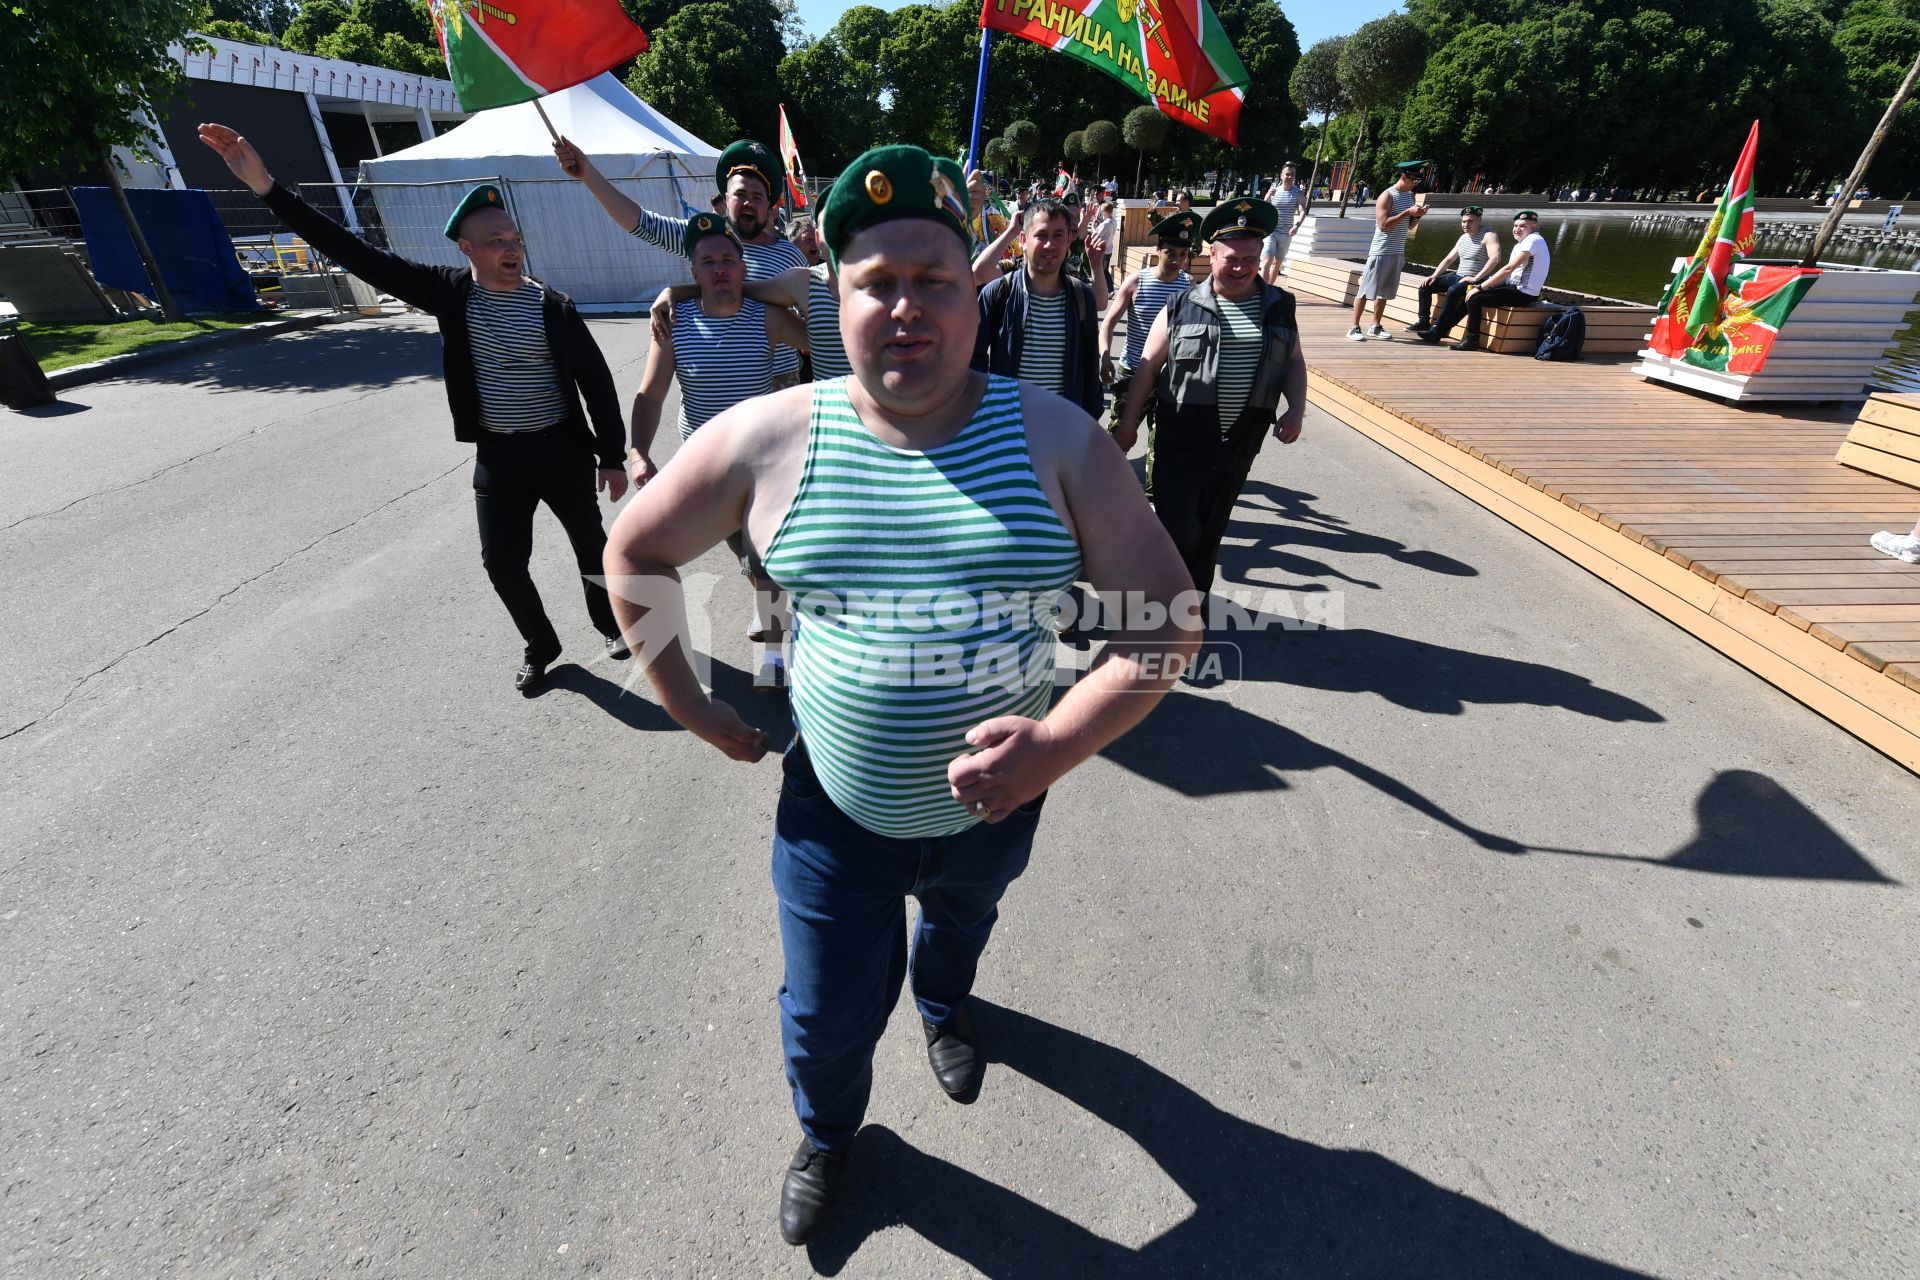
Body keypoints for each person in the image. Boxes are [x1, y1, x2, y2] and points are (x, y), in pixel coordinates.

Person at [599, 143, 1199, 1245]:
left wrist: (1054, 746)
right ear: (836, 295)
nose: (907, 306)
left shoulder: (1056, 438)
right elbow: (633, 550)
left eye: (936, 279)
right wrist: (689, 703)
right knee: (827, 1011)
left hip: (995, 810)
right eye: (879, 281)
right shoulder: (769, 440)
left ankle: (944, 1003)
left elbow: (1167, 620)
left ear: (976, 295)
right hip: (834, 814)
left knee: (961, 927)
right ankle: (831, 1132)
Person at [196, 122, 629, 695]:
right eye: (496, 241)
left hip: (561, 448)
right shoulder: (450, 294)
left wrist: (612, 454)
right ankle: (541, 643)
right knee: (501, 563)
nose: (511, 248)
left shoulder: (553, 306)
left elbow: (595, 381)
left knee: (590, 545)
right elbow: (355, 253)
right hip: (500, 457)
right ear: (466, 249)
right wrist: (267, 189)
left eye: (514, 238)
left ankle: (609, 623)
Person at [630, 212, 807, 687]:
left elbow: (819, 342)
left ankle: (774, 654)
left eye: (729, 259)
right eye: (708, 262)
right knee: (748, 563)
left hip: (762, 468)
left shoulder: (767, 318)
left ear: (744, 265)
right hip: (704, 470)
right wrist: (639, 452)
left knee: (765, 563)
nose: (720, 268)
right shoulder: (674, 323)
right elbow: (650, 394)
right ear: (693, 271)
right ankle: (767, 605)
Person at [1114, 198, 1307, 615]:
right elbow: (1147, 370)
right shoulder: (1181, 306)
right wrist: (1128, 425)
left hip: (1240, 440)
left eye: (1250, 259)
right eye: (1231, 258)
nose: (1241, 267)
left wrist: (1296, 409)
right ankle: (1155, 600)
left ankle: (1189, 608)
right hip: (1181, 438)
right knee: (1178, 529)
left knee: (1210, 530)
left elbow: (1292, 360)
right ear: (1212, 256)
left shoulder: (1279, 306)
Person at [553, 135, 811, 389]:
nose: (748, 203)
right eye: (740, 194)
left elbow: (811, 316)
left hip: (779, 380)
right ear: (724, 199)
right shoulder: (701, 239)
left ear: (768, 206)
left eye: (757, 197)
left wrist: (676, 292)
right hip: (716, 377)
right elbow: (642, 223)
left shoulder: (790, 256)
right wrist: (588, 174)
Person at [1098, 210, 1198, 499]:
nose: (1177, 260)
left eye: (1183, 253)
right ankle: (1100, 492)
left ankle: (1155, 502)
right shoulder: (1137, 282)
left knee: (1163, 443)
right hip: (1132, 373)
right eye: (1170, 252)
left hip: (1169, 379)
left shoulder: (1189, 287)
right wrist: (1106, 356)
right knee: (1119, 437)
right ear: (1158, 251)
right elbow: (1108, 323)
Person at [974, 197, 1106, 419]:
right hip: (1008, 428)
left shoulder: (1081, 297)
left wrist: (1089, 421)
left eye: (1058, 236)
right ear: (1024, 239)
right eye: (1041, 235)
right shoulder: (998, 294)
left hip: (1063, 430)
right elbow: (974, 360)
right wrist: (983, 412)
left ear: (1068, 240)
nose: (1049, 244)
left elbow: (1090, 363)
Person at [1420, 210, 1552, 350]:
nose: (1517, 229)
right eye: (1515, 226)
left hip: (1524, 293)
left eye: (1522, 226)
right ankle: (1438, 332)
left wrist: (1481, 286)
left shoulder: (1534, 240)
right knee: (1472, 295)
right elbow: (1509, 276)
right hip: (1513, 288)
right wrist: (1484, 286)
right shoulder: (1521, 244)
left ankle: (1471, 340)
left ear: (1533, 227)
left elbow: (1508, 268)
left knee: (1475, 298)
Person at [1348, 160, 1429, 341]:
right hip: (1381, 250)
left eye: (1418, 180)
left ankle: (1375, 325)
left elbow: (1409, 227)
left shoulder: (1410, 196)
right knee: (1365, 289)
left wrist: (1418, 216)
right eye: (1413, 180)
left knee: (1384, 291)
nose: (1416, 183)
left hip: (1397, 250)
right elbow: (1383, 225)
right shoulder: (1387, 195)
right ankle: (1354, 327)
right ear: (1403, 176)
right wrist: (1408, 213)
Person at [1406, 205, 1500, 335]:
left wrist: (1475, 278)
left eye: (1470, 221)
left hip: (1476, 280)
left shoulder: (1489, 235)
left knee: (1453, 290)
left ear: (1479, 220)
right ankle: (1423, 322)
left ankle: (1437, 329)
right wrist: (1434, 275)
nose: (1466, 225)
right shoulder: (1463, 237)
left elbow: (1495, 259)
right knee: (1426, 286)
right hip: (1459, 277)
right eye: (1464, 221)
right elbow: (1448, 259)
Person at [1259, 162, 1308, 284]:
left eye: (1293, 174)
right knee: (1267, 260)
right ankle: (1263, 291)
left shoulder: (1298, 193)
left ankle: (1269, 289)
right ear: (1281, 175)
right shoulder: (1274, 191)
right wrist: (1268, 197)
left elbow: (1302, 212)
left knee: (1277, 264)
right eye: (1287, 174)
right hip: (1271, 231)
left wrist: (1296, 225)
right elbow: (1264, 208)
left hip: (1286, 234)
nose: (1290, 177)